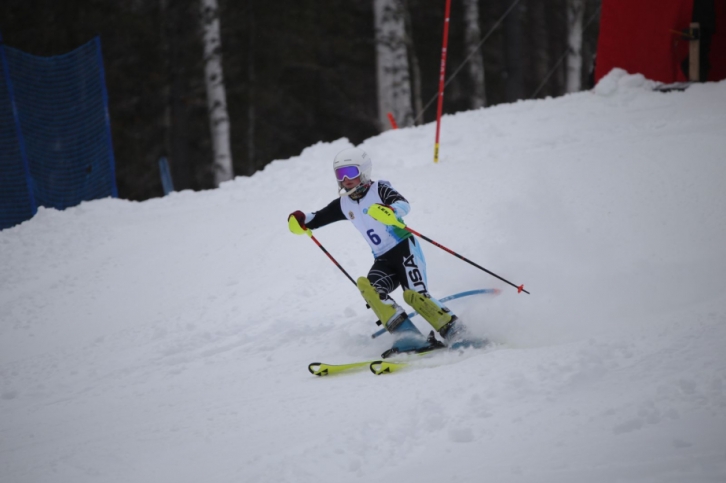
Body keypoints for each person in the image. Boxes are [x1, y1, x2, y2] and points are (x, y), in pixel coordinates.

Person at [287, 147, 467, 350]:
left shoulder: (379, 189)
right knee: (370, 289)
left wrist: (392, 210)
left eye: (351, 173)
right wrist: (302, 219)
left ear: (364, 172)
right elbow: (318, 217)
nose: (346, 179)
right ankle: (408, 337)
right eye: (340, 174)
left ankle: (457, 332)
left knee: (415, 296)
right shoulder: (344, 204)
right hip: (383, 259)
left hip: (404, 250)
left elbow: (403, 204)